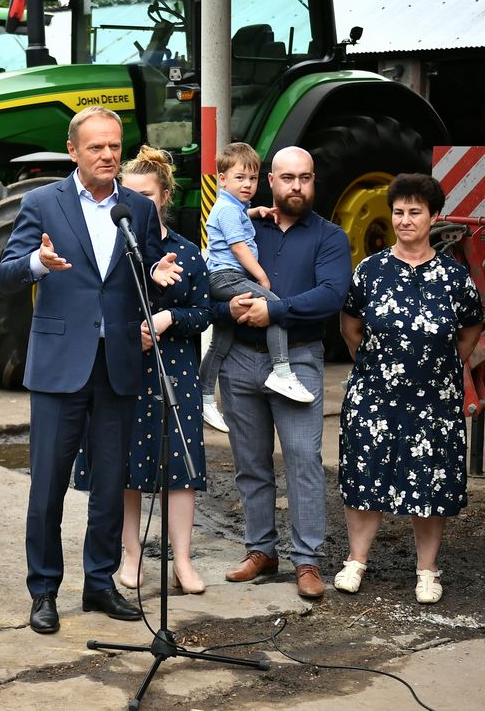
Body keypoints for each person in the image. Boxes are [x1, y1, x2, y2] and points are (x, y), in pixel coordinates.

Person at [0, 106, 183, 634]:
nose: (107, 155)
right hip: (60, 366)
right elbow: (5, 275)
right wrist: (37, 264)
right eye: (96, 147)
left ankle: (99, 584)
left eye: (114, 146)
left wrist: (156, 271)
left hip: (119, 361)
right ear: (74, 151)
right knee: (48, 485)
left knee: (109, 484)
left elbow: (140, 268)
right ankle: (43, 591)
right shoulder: (42, 203)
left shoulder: (137, 210)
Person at [334, 174, 482, 604]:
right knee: (364, 474)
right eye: (398, 211)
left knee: (430, 484)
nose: (404, 220)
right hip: (375, 392)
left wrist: (438, 366)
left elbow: (469, 330)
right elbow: (351, 326)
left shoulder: (454, 277)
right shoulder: (371, 269)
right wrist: (379, 367)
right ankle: (356, 561)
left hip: (434, 398)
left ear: (433, 217)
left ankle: (427, 570)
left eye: (414, 212)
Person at [71, 145, 211, 595]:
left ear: (164, 196)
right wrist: (130, 329)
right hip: (122, 364)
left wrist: (168, 320)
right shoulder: (108, 251)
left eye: (146, 195)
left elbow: (205, 311)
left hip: (175, 369)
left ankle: (183, 561)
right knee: (124, 464)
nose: (135, 204)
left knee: (180, 468)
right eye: (128, 195)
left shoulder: (186, 252)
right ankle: (131, 555)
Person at [213, 145, 351, 600]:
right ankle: (261, 551)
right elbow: (212, 276)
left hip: (299, 359)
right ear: (270, 180)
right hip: (240, 360)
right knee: (251, 464)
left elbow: (332, 295)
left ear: (314, 181)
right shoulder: (243, 224)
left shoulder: (330, 237)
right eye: (287, 177)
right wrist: (228, 306)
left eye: (305, 177)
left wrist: (276, 311)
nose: (296, 185)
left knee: (303, 462)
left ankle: (307, 560)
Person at [200, 143, 312, 435]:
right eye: (240, 178)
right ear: (222, 179)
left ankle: (204, 398)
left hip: (222, 277)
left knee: (221, 341)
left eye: (252, 178)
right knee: (273, 306)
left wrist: (257, 211)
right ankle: (282, 371)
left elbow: (235, 220)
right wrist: (261, 276)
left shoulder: (234, 207)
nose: (248, 185)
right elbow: (238, 248)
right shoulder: (226, 209)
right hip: (227, 275)